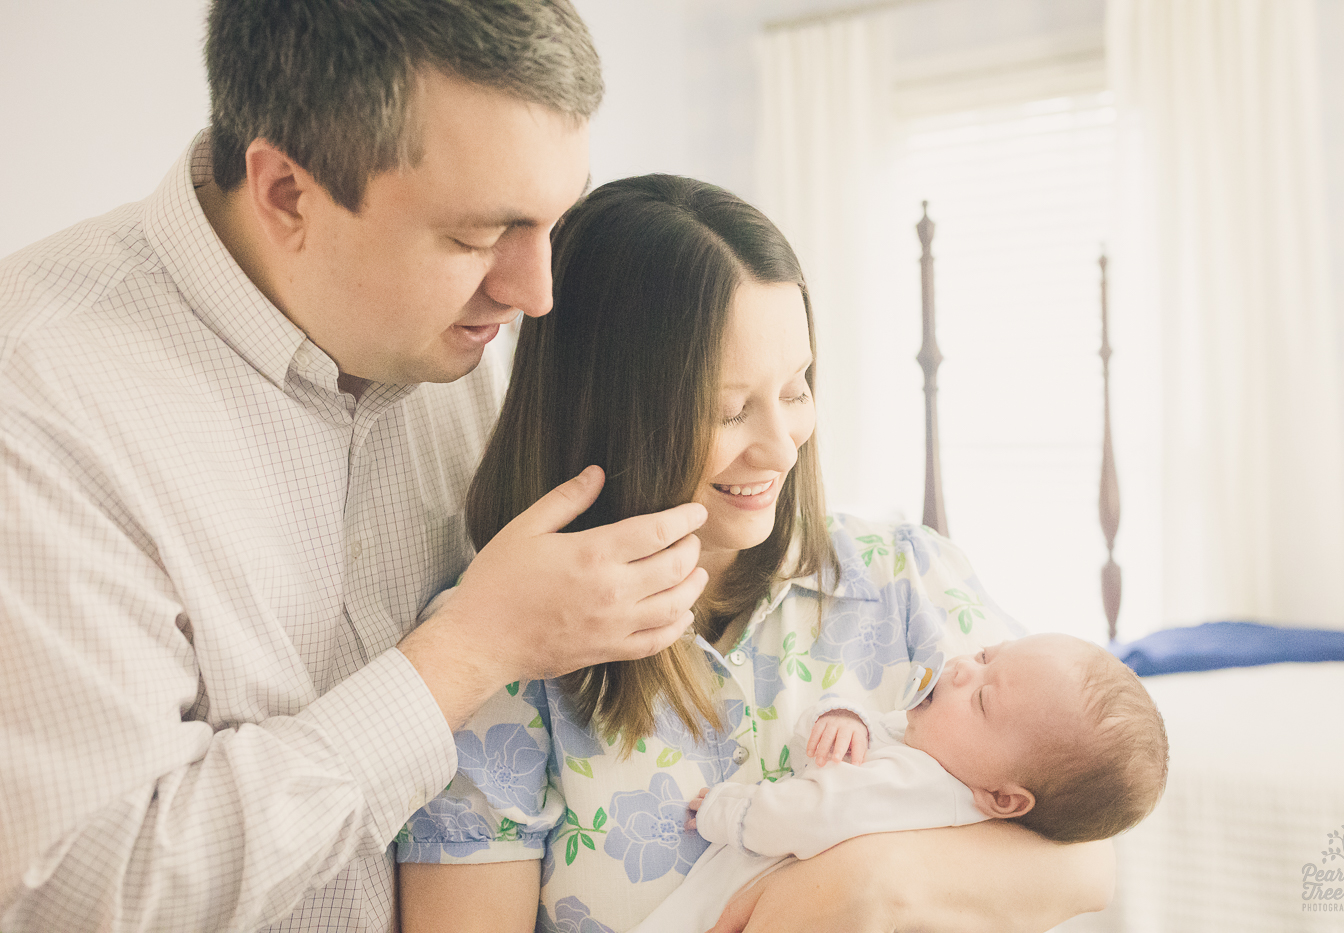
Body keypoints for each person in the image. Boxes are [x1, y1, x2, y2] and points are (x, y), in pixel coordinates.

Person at [0, 3, 711, 931]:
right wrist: (466, 652)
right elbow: (83, 892)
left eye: (554, 220)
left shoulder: (464, 338)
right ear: (288, 193)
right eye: (473, 236)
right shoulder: (39, 400)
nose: (534, 292)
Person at [396, 175, 1117, 933]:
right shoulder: (500, 656)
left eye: (798, 387)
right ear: (609, 414)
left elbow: (1089, 857)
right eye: (732, 409)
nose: (782, 446)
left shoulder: (900, 575)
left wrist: (868, 882)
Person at [632, 633, 1169, 933]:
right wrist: (847, 718)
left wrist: (725, 810)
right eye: (986, 656)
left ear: (1004, 798)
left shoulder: (918, 781)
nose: (961, 669)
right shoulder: (943, 758)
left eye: (983, 698)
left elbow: (810, 812)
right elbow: (870, 736)